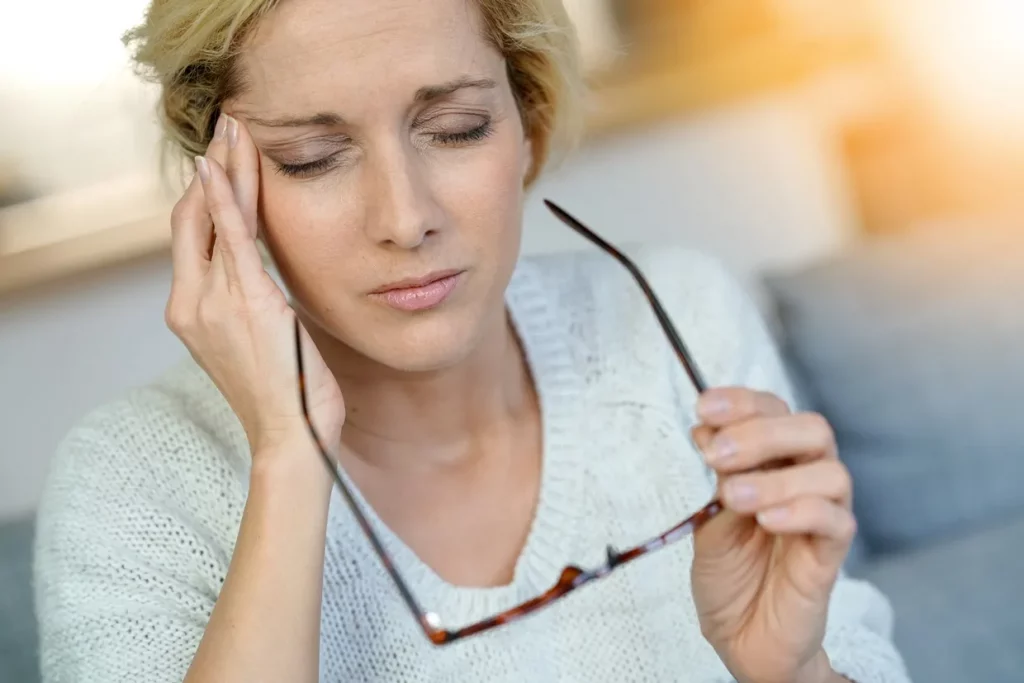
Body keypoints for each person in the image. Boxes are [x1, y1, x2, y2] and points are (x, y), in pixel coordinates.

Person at [33, 0, 910, 681]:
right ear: (218, 188)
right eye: (310, 156)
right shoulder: (131, 480)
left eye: (455, 129)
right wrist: (287, 459)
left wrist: (789, 672)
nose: (406, 218)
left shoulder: (679, 314)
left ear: (527, 122)